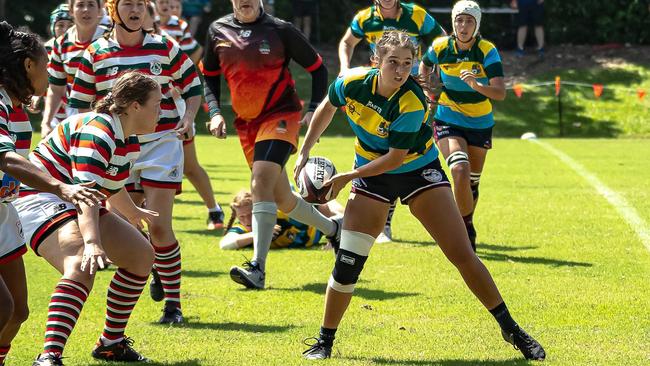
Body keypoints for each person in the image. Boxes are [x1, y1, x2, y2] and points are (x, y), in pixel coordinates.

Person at [295, 29, 546, 362]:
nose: (400, 71)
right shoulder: (352, 81)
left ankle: (511, 328)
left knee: (462, 254)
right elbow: (329, 106)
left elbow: (395, 159)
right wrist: (304, 150)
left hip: (417, 172)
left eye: (407, 63)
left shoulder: (411, 100)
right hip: (373, 179)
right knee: (348, 263)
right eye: (393, 62)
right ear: (375, 61)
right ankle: (324, 341)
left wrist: (346, 177)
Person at [69, 0, 203, 324]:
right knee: (129, 227)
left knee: (159, 225)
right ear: (113, 10)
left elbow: (193, 86)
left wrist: (189, 117)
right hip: (118, 147)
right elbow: (77, 105)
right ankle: (153, 263)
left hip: (162, 143)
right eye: (128, 3)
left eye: (141, 4)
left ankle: (174, 307)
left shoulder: (165, 46)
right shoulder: (95, 53)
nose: (136, 10)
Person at [16, 70, 160, 365]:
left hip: (74, 199)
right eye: (156, 105)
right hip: (38, 198)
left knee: (141, 255)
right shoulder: (100, 132)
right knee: (81, 260)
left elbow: (106, 183)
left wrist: (132, 211)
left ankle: (111, 344)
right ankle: (49, 355)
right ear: (134, 106)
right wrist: (93, 241)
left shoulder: (127, 137)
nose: (162, 111)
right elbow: (86, 195)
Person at [203, 0, 342, 290]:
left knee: (260, 179)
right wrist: (215, 113)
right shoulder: (217, 30)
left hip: (282, 114)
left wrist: (313, 107)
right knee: (282, 199)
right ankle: (335, 229)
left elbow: (318, 68)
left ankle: (257, 269)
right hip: (247, 124)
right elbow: (210, 78)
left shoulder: (281, 30)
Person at [0, 21, 105, 366]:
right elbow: (5, 157)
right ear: (28, 65)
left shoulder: (16, 104)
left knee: (18, 312)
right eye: (46, 64)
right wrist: (62, 187)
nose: (50, 73)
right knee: (3, 308)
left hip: (4, 215)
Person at [339, 0, 446, 243]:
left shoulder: (417, 15)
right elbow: (347, 42)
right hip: (379, 89)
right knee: (380, 150)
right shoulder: (365, 18)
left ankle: (389, 218)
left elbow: (441, 42)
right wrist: (345, 68)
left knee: (400, 152)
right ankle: (379, 220)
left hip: (409, 91)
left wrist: (428, 70)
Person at [419, 0, 505, 251]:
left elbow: (499, 92)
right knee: (459, 169)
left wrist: (478, 85)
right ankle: (464, 230)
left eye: (469, 21)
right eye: (459, 20)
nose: (463, 25)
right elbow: (424, 63)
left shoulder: (487, 51)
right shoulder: (441, 46)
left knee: (472, 182)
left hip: (480, 123)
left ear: (477, 25)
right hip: (448, 117)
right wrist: (426, 88)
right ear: (453, 23)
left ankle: (465, 223)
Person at [154, 0, 225, 230]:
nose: (165, 6)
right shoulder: (132, 32)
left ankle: (214, 210)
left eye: (169, 2)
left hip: (174, 107)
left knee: (190, 166)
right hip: (143, 110)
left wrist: (179, 81)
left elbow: (195, 52)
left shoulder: (177, 27)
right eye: (161, 2)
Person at [41, 0, 108, 137]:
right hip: (74, 117)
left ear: (100, 10)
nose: (85, 10)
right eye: (80, 5)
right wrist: (46, 122)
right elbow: (56, 88)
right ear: (71, 10)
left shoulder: (111, 38)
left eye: (91, 4)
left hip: (108, 115)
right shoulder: (61, 43)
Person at [220, 189, 343, 250]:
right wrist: (259, 233)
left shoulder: (279, 212)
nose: (247, 220)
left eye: (251, 214)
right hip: (307, 240)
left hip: (317, 228)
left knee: (342, 214)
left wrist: (332, 238)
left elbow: (321, 207)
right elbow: (224, 244)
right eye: (242, 217)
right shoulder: (243, 230)